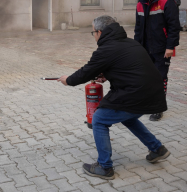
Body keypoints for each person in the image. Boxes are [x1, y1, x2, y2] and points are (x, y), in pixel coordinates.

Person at [57, 15, 170, 180]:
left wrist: (68, 80)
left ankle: (104, 167)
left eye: (93, 32)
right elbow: (127, 68)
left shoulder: (106, 49)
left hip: (136, 94)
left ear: (100, 32)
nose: (93, 36)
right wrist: (108, 74)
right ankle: (157, 149)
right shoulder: (130, 42)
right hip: (153, 92)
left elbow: (86, 72)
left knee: (100, 119)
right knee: (128, 117)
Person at [134, 0, 180, 121]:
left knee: (160, 78)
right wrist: (136, 47)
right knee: (146, 77)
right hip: (144, 48)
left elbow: (174, 27)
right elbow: (138, 28)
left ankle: (159, 108)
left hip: (161, 48)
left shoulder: (166, 2)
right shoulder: (140, 3)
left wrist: (170, 47)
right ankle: (147, 102)